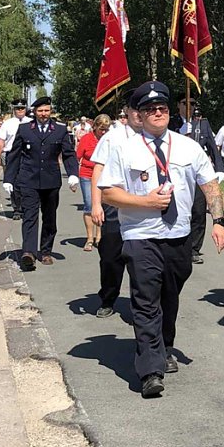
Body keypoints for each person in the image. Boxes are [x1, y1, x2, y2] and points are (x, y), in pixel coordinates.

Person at [99, 80, 224, 398]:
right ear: (140, 115)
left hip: (178, 236)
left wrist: (218, 221)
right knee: (145, 300)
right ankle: (150, 370)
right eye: (150, 109)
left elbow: (210, 184)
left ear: (169, 113)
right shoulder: (124, 148)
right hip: (140, 235)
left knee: (169, 297)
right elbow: (108, 192)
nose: (157, 113)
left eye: (162, 108)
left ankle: (165, 345)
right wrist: (145, 202)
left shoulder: (188, 147)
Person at [3, 96, 79, 271]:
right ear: (34, 112)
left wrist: (73, 174)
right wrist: (9, 178)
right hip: (28, 180)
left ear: (50, 111)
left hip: (51, 181)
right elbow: (14, 155)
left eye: (46, 110)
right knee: (30, 216)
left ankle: (45, 251)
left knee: (49, 218)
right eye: (40, 111)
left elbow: (68, 154)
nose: (44, 114)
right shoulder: (24, 129)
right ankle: (28, 252)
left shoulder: (60, 130)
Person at [90, 93, 140, 318]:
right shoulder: (112, 137)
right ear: (127, 112)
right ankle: (108, 298)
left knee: (142, 259)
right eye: (135, 109)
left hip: (144, 206)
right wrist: (96, 204)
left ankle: (142, 305)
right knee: (111, 256)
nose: (140, 114)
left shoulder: (156, 136)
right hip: (114, 203)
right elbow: (98, 170)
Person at [176, 98, 224, 265]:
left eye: (193, 104)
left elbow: (212, 145)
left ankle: (194, 249)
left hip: (198, 173)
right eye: (185, 103)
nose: (189, 106)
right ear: (178, 105)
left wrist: (219, 169)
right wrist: (179, 131)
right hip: (178, 173)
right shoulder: (172, 123)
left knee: (198, 211)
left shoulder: (202, 123)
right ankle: (178, 246)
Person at [75, 114, 111, 250]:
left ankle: (99, 236)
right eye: (101, 129)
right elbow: (78, 156)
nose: (103, 132)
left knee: (102, 205)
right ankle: (90, 238)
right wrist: (73, 178)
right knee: (89, 205)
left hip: (104, 176)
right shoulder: (86, 139)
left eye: (106, 129)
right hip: (87, 174)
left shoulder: (110, 139)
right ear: (95, 127)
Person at [0, 98, 31, 219]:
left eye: (22, 108)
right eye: (17, 108)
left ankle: (27, 207)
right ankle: (17, 209)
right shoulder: (8, 123)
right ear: (14, 110)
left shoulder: (32, 122)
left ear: (25, 109)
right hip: (12, 155)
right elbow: (1, 142)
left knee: (28, 182)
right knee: (13, 182)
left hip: (28, 155)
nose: (20, 110)